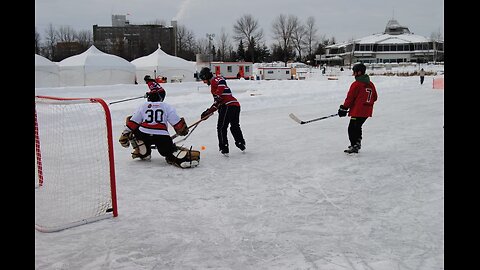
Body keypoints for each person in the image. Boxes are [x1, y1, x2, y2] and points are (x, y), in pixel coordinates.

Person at [118, 75, 200, 168]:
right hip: (161, 135)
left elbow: (133, 122)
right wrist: (182, 130)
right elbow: (177, 123)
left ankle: (143, 151)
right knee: (167, 151)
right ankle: (179, 157)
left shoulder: (143, 106)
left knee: (133, 126)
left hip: (144, 133)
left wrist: (125, 133)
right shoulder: (166, 106)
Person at [198, 67, 246, 156]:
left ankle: (224, 148)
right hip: (235, 105)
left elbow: (222, 82)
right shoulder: (214, 86)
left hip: (228, 106)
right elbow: (217, 103)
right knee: (234, 126)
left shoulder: (215, 79)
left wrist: (218, 95)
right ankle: (241, 143)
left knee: (221, 127)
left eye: (203, 79)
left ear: (206, 76)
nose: (204, 82)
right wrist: (208, 112)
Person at [338, 63, 378, 154]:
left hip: (358, 111)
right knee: (357, 126)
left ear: (359, 72)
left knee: (352, 128)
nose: (353, 74)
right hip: (367, 111)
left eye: (354, 72)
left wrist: (344, 108)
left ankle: (354, 145)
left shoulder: (356, 84)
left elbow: (350, 98)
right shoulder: (370, 84)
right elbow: (375, 97)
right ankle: (357, 143)